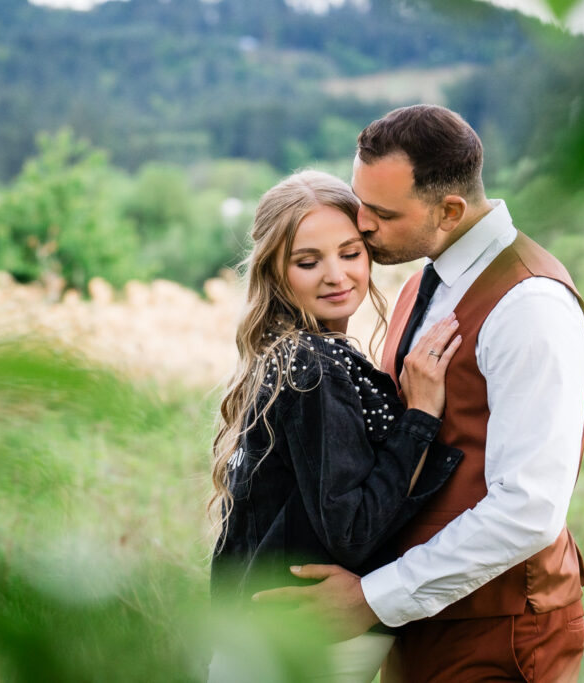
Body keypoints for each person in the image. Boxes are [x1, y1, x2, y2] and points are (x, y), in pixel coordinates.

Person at [253, 106, 584, 681]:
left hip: (499, 629)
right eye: (360, 202)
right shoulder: (421, 282)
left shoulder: (530, 307)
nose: (360, 223)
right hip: (416, 619)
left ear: (451, 210)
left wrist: (372, 598)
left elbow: (529, 509)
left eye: (381, 213)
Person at [208, 169, 465, 682]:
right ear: (275, 272)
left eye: (350, 253)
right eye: (308, 261)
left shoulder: (293, 356)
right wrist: (419, 418)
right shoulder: (312, 367)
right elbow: (349, 529)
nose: (336, 275)